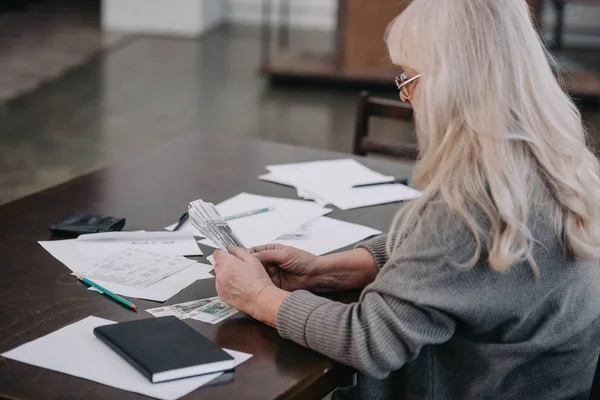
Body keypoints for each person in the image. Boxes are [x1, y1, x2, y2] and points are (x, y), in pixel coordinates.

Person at [212, 0, 600, 398]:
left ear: (454, 81)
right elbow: (458, 263)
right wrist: (325, 270)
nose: (405, 96)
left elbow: (367, 340)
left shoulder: (473, 205)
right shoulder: (550, 158)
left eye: (410, 77)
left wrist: (257, 296)